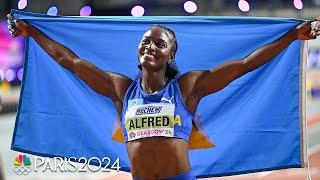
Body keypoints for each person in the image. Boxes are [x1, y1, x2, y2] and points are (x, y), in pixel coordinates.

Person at [7, 14, 320, 180]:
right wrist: (32, 32)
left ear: (171, 54)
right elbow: (69, 62)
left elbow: (245, 65)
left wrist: (292, 36)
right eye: (145, 42)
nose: (150, 47)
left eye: (159, 44)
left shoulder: (187, 87)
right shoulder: (121, 89)